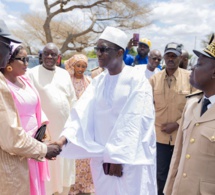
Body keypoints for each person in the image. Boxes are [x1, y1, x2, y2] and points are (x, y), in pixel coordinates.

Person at [56, 26, 157, 195]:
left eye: (103, 49)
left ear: (119, 53)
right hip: (101, 159)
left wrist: (117, 157)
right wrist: (63, 139)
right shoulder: (99, 81)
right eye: (97, 49)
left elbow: (136, 119)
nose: (98, 53)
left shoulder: (136, 79)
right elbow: (81, 112)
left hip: (128, 161)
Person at [0, 20, 61, 195]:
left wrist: (41, 133)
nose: (27, 63)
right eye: (6, 44)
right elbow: (12, 138)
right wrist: (43, 149)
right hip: (18, 152)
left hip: (31, 145)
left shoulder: (25, 80)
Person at [164, 34, 215, 195]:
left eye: (199, 64)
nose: (193, 68)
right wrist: (169, 190)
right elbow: (177, 157)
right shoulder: (192, 104)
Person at [28, 42, 76, 195]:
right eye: (46, 53)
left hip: (64, 132)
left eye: (53, 54)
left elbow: (72, 100)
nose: (49, 56)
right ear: (41, 55)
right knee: (48, 169)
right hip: (45, 131)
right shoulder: (31, 73)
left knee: (64, 168)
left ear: (58, 57)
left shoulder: (64, 74)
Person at [149, 42, 197, 195]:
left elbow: (196, 106)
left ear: (179, 58)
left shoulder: (190, 78)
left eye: (174, 56)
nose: (170, 59)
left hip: (182, 136)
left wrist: (177, 124)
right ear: (163, 57)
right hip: (160, 138)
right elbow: (147, 108)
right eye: (168, 55)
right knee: (160, 175)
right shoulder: (154, 80)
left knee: (180, 173)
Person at [65, 54, 94, 195]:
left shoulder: (88, 81)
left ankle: (84, 186)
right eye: (78, 65)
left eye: (83, 66)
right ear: (72, 65)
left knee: (84, 157)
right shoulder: (66, 81)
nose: (81, 69)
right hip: (69, 124)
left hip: (84, 126)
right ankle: (71, 186)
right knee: (71, 157)